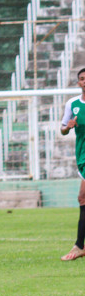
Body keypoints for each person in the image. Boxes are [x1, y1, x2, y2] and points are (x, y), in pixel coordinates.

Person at [59, 67, 85, 261]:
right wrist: (67, 128)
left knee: (83, 198)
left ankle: (79, 245)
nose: (84, 81)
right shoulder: (72, 104)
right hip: (82, 156)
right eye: (82, 79)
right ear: (79, 83)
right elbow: (63, 129)